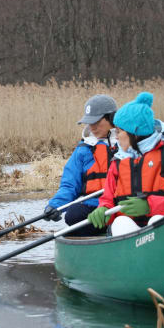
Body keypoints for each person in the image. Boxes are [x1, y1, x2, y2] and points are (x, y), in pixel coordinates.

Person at [87, 92, 164, 236]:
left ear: (135, 133)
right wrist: (104, 209)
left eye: (119, 131)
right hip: (133, 234)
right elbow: (107, 199)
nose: (116, 136)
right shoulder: (118, 162)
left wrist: (150, 206)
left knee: (157, 220)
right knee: (120, 222)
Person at [44, 94, 118, 236]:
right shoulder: (83, 149)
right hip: (93, 207)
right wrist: (55, 206)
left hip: (118, 205)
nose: (92, 127)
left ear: (111, 118)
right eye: (90, 122)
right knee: (73, 215)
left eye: (96, 122)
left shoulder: (126, 142)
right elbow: (69, 185)